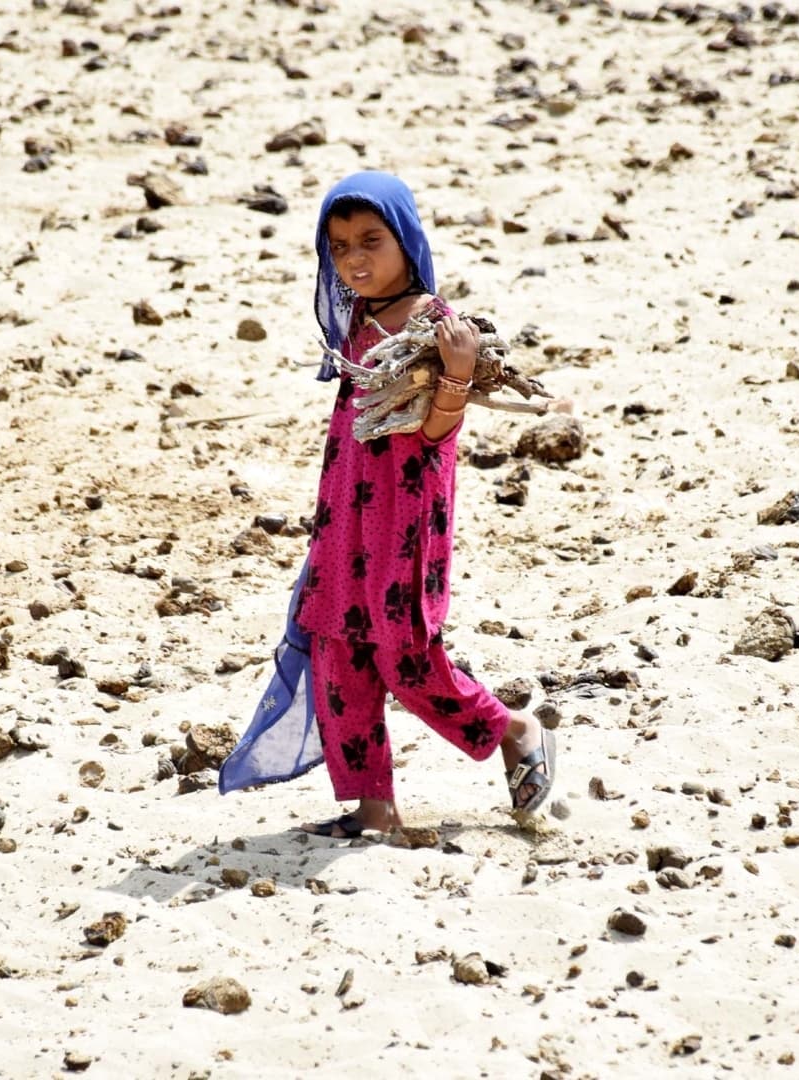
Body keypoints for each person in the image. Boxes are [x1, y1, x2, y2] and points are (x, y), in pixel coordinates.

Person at [292, 170, 555, 839]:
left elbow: (436, 433)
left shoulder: (435, 324)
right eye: (340, 245)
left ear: (406, 240)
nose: (354, 257)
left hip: (403, 522)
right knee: (335, 651)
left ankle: (513, 729)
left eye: (370, 239)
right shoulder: (358, 321)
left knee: (403, 655)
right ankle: (373, 807)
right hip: (347, 516)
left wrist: (459, 376)